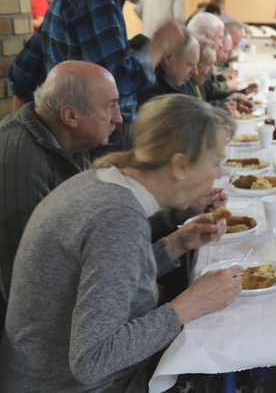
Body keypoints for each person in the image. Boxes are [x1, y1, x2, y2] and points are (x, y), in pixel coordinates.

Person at [0, 94, 243, 391]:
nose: (219, 174)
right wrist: (190, 305)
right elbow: (92, 360)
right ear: (180, 165)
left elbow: (108, 274)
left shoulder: (101, 180)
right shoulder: (117, 218)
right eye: (217, 162)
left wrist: (176, 244)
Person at [9, 0, 184, 152]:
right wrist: (159, 45)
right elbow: (117, 81)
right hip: (95, 143)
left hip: (79, 137)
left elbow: (23, 69)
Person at [0, 61, 121, 323]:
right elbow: (25, 282)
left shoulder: (71, 141)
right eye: (110, 106)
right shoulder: (19, 160)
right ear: (71, 116)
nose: (118, 118)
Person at [137, 28, 200, 104]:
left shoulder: (184, 83)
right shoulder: (141, 87)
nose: (195, 72)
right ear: (168, 57)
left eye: (196, 64)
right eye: (190, 64)